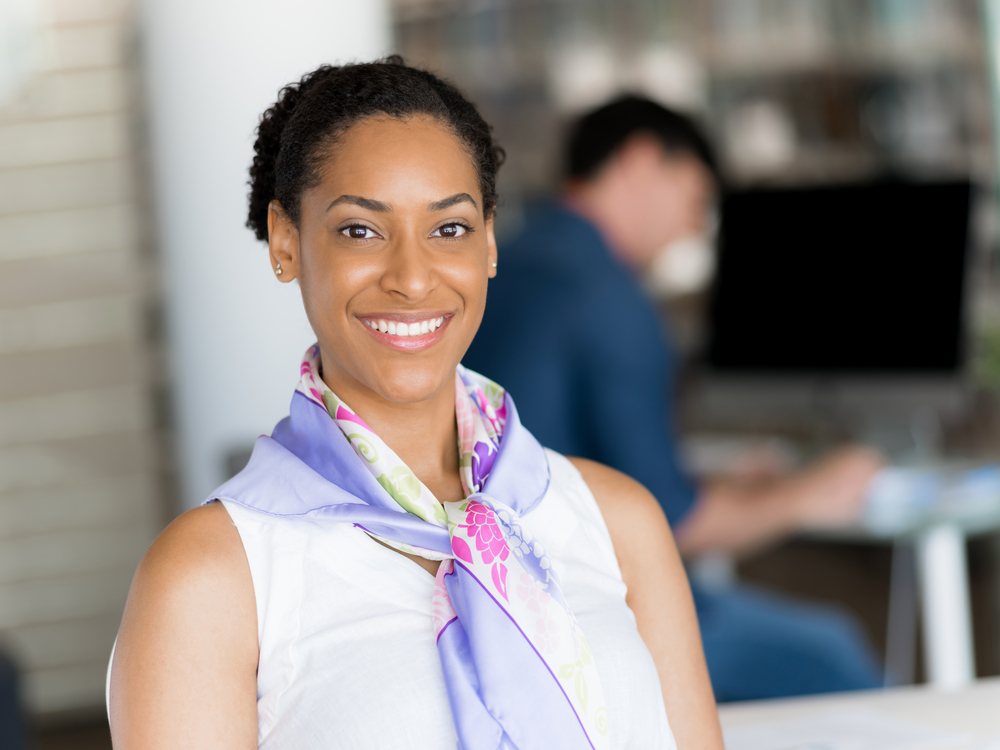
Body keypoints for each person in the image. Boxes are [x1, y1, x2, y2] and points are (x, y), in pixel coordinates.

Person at [108, 60, 723, 749]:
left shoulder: (618, 522)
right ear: (286, 241)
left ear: (489, 240)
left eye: (450, 229)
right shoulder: (211, 580)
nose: (410, 277)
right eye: (361, 231)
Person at [463, 96, 884, 702]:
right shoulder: (611, 298)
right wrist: (811, 493)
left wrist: (723, 480)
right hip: (584, 614)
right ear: (640, 160)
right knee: (832, 649)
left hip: (491, 589)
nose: (694, 224)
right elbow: (673, 524)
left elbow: (561, 448)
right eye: (696, 199)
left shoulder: (508, 261)